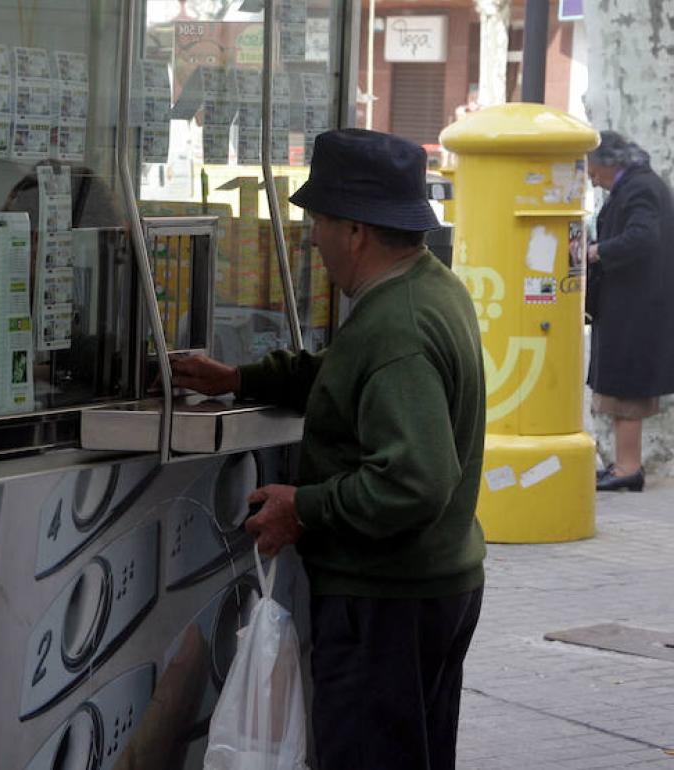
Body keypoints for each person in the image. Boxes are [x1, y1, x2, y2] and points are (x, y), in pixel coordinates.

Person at [172, 129, 486, 770]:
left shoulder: (397, 323)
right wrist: (241, 379)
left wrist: (305, 507)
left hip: (388, 603)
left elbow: (416, 481)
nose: (311, 239)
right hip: (427, 590)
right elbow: (347, 373)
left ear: (354, 230)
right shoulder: (423, 288)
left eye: (317, 222)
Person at [585, 131, 674, 492]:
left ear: (609, 162)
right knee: (623, 387)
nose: (591, 178)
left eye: (592, 169)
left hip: (636, 305)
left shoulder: (639, 188)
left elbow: (642, 237)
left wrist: (598, 252)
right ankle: (624, 465)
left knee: (626, 389)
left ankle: (628, 468)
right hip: (632, 303)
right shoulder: (639, 184)